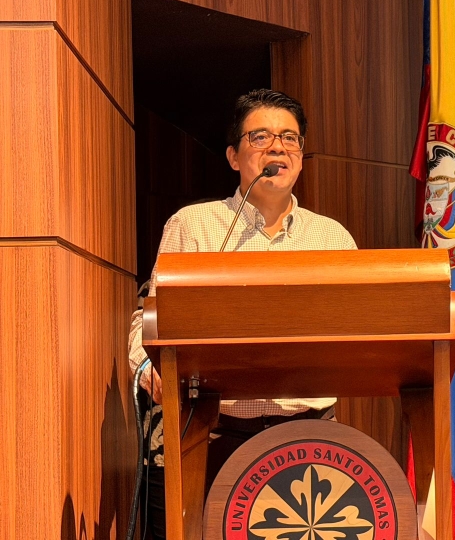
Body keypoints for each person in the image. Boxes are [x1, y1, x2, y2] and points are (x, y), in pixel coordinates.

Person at [128, 89, 356, 539]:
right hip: (213, 438)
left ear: (302, 157)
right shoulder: (194, 226)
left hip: (309, 444)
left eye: (290, 139)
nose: (278, 147)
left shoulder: (332, 238)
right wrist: (146, 369)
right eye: (262, 137)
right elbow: (148, 320)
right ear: (234, 156)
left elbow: (360, 328)